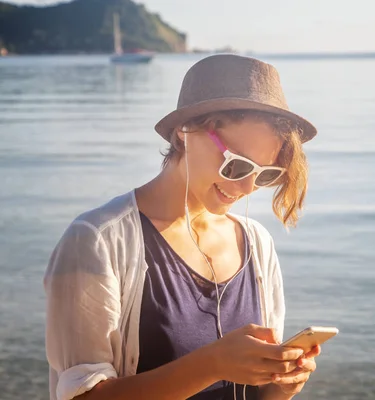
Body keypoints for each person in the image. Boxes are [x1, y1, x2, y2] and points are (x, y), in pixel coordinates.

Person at [44, 54, 321, 400]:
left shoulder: (256, 243)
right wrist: (212, 364)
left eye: (265, 174)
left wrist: (279, 386)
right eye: (236, 164)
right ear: (184, 132)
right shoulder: (97, 241)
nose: (249, 187)